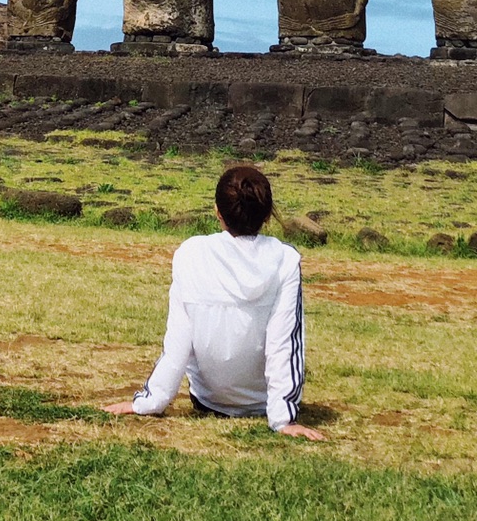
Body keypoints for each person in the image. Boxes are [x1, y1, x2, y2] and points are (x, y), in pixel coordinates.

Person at [104, 164, 325, 439]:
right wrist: (283, 419)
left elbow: (177, 341)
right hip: (263, 403)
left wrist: (149, 403)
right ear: (267, 216)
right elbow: (285, 342)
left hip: (207, 401)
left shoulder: (190, 253)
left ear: (218, 213)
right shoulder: (285, 260)